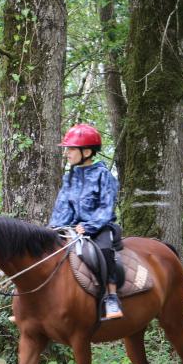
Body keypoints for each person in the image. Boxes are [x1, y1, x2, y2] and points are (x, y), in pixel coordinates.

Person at [49, 123, 124, 319]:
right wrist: (55, 228)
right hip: (72, 228)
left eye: (71, 149)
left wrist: (89, 226)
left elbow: (106, 207)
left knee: (105, 250)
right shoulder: (69, 177)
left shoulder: (104, 176)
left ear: (87, 151)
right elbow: (62, 206)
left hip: (98, 227)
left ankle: (111, 297)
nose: (66, 153)